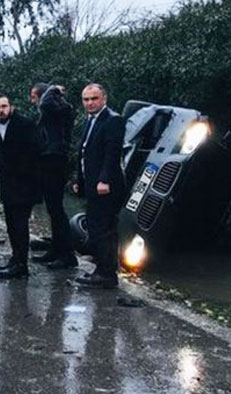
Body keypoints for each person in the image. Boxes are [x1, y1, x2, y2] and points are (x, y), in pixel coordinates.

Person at [72, 83, 126, 288]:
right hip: (92, 183)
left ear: (103, 99)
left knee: (104, 230)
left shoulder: (113, 120)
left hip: (107, 186)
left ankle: (107, 274)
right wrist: (80, 180)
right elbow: (84, 153)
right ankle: (101, 270)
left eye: (94, 99)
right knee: (96, 228)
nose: (90, 103)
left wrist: (104, 180)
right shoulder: (91, 121)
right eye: (86, 99)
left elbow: (112, 154)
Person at [0, 95, 42, 279]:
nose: (1, 110)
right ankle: (16, 258)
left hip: (24, 184)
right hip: (7, 184)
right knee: (11, 224)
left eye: (4, 106)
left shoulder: (25, 124)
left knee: (20, 225)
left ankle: (21, 265)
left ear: (11, 107)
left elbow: (35, 153)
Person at [29, 83, 79, 269]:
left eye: (34, 97)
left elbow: (45, 103)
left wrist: (52, 88)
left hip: (55, 162)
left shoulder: (55, 108)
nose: (32, 101)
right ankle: (56, 250)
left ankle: (67, 255)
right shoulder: (53, 112)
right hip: (48, 161)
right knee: (53, 210)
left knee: (57, 211)